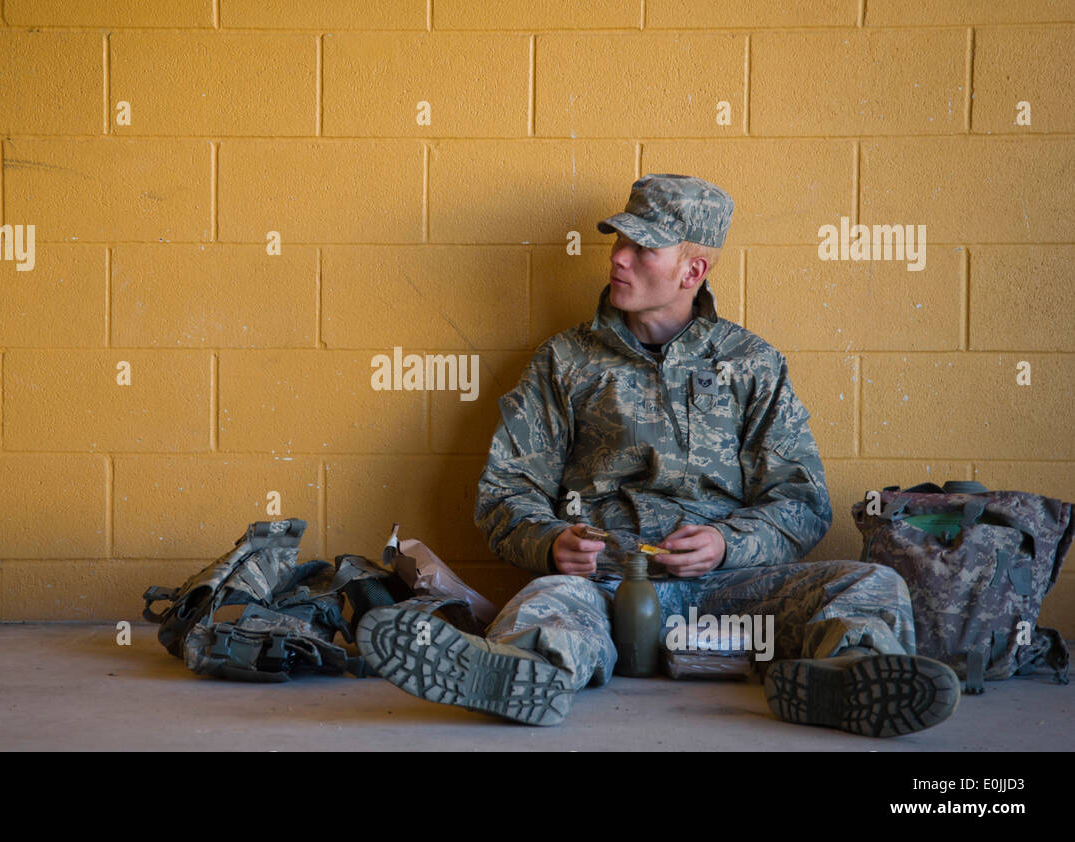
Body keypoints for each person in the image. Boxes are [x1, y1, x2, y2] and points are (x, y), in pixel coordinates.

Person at [357, 174, 960, 738]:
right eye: (619, 243)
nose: (618, 257)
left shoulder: (751, 364)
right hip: (607, 590)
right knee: (545, 607)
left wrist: (729, 544)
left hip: (735, 594)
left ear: (692, 269)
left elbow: (801, 503)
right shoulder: (564, 362)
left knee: (871, 584)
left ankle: (850, 677)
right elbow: (503, 492)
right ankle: (518, 672)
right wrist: (549, 542)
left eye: (643, 248)